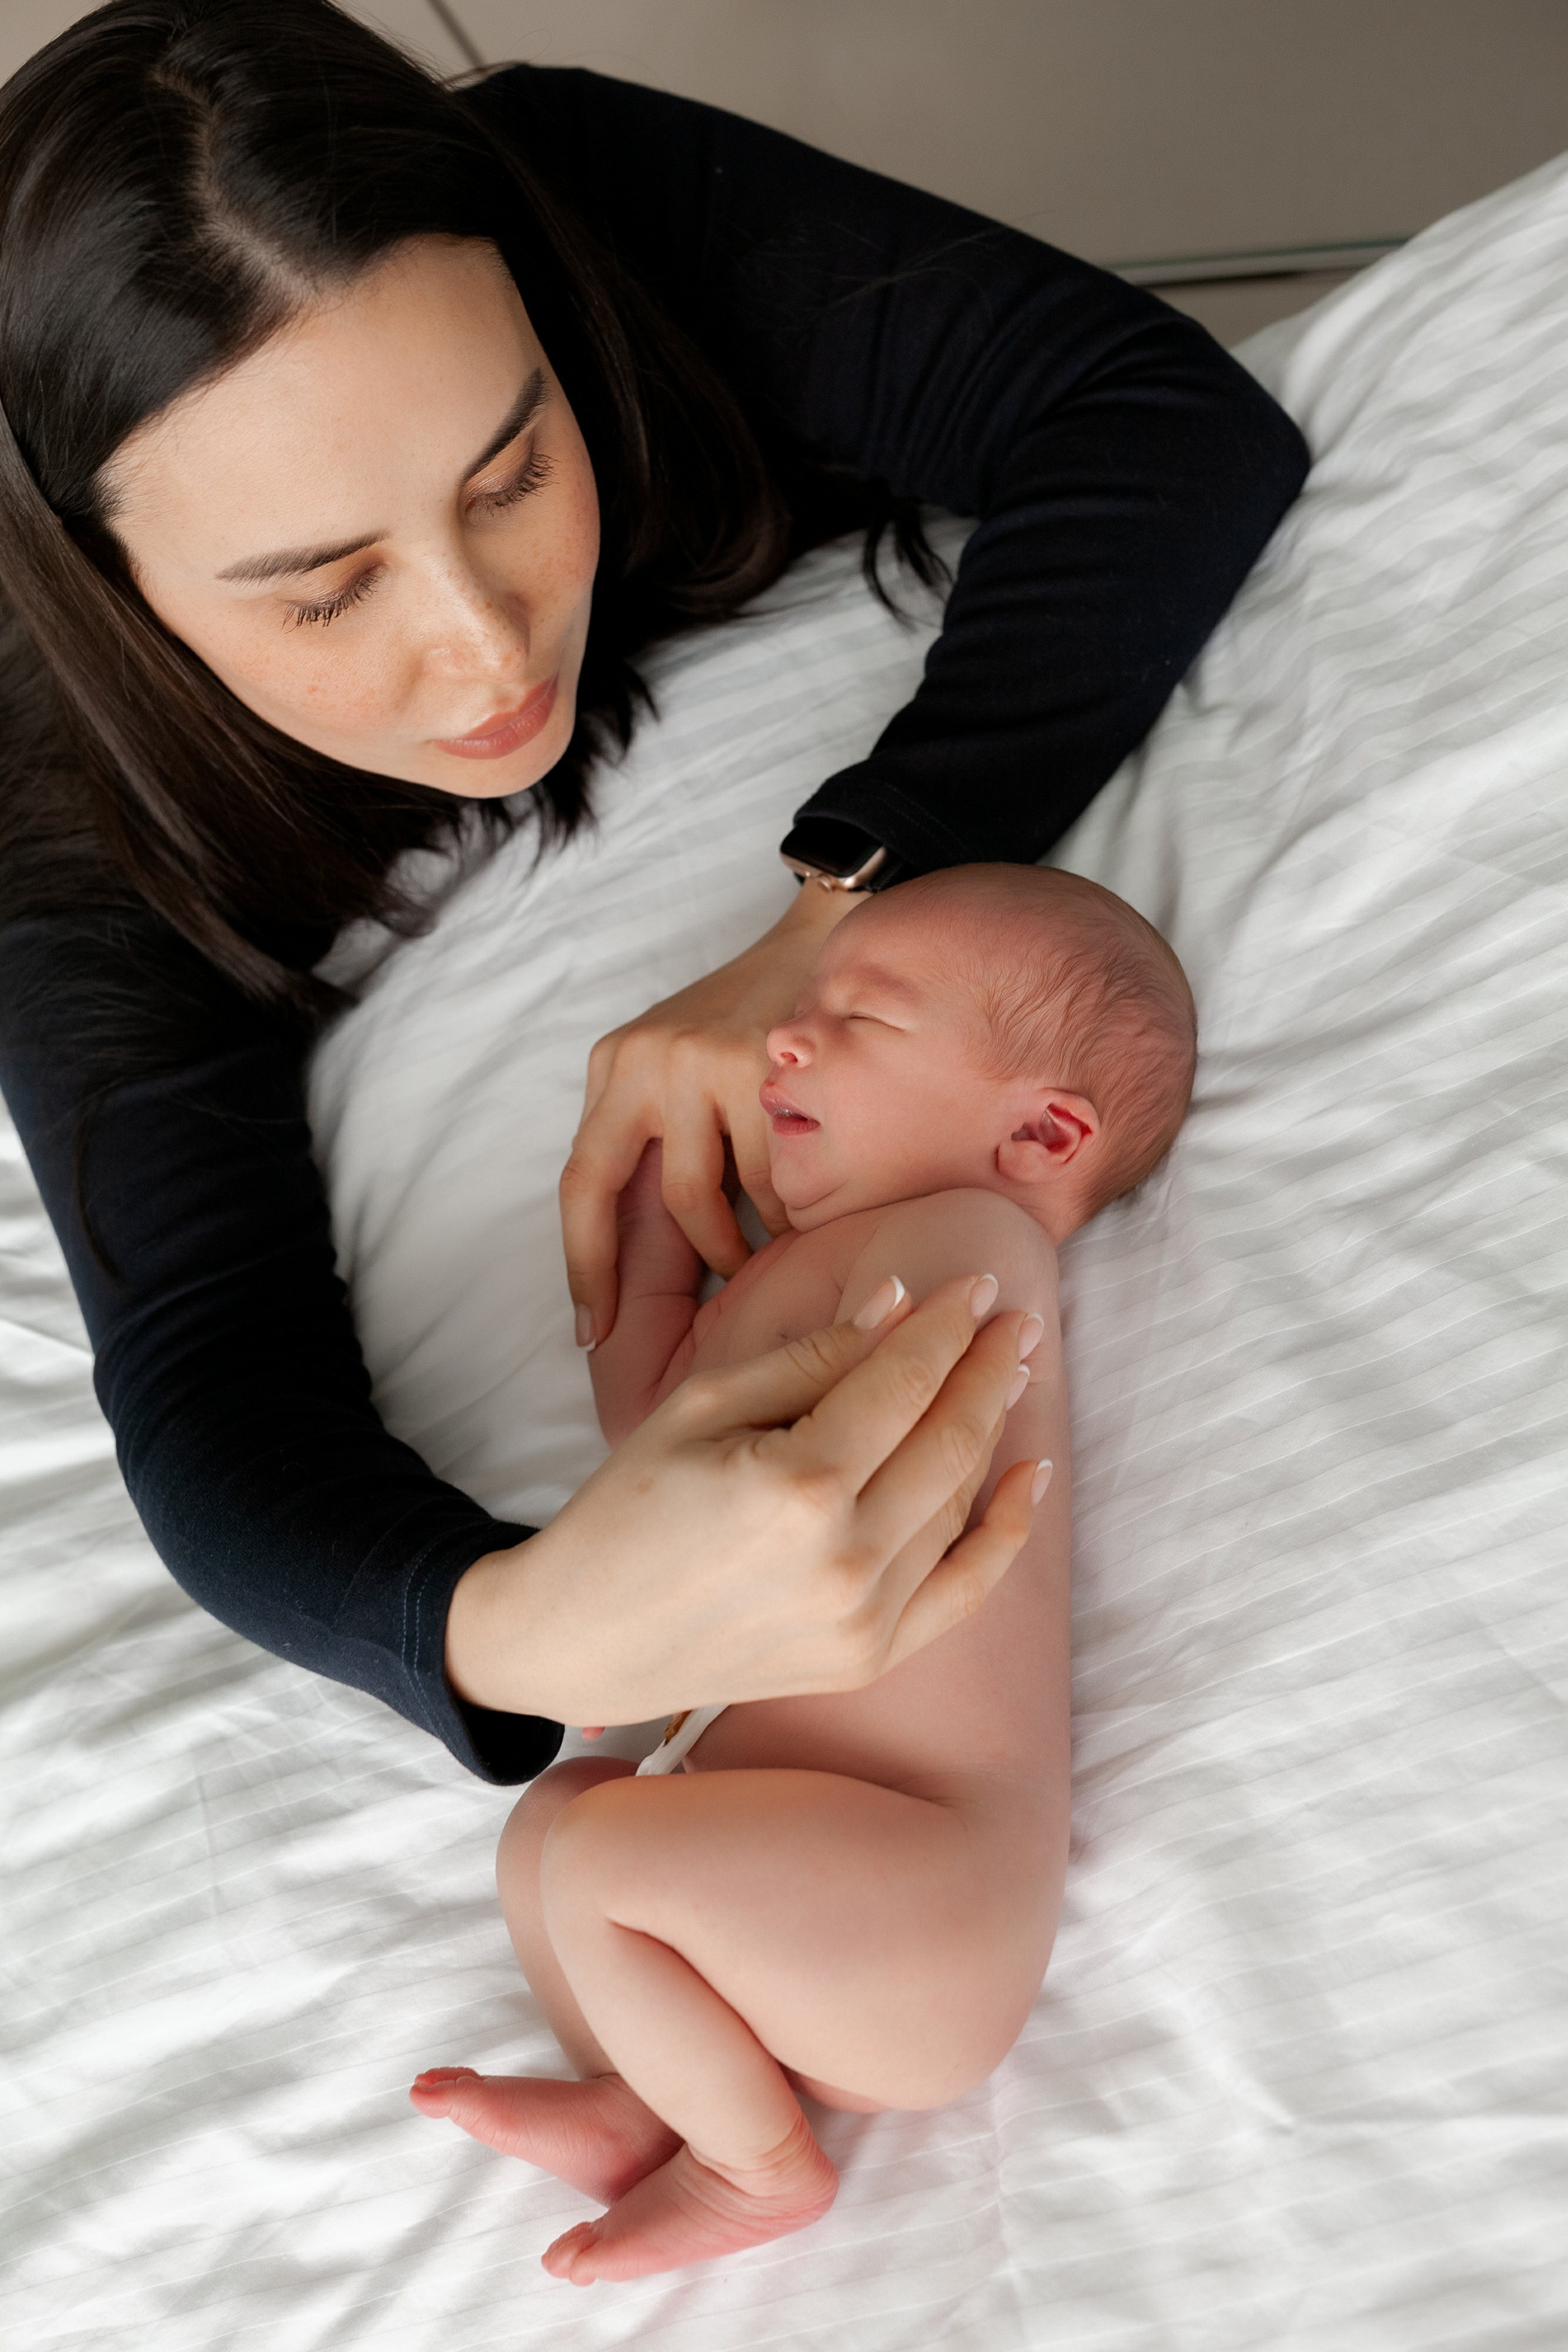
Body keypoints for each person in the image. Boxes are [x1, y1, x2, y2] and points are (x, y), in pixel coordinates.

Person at [0, 0, 1307, 1781]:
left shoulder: (573, 188)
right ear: (108, 589)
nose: (483, 654)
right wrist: (518, 1628)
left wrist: (838, 903)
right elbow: (209, 1364)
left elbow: (1158, 420)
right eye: (325, 592)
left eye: (515, 470)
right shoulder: (54, 793)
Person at [408, 865, 1197, 2283]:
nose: (785, 1037)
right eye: (803, 1012)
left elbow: (807, 1459)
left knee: (598, 1855)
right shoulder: (822, 1267)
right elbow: (671, 1452)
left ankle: (756, 2169)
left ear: (1041, 1131)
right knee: (552, 1831)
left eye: (862, 1020)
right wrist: (652, 1242)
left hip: (924, 1885)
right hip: (816, 1903)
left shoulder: (970, 1248)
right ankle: (650, 2096)